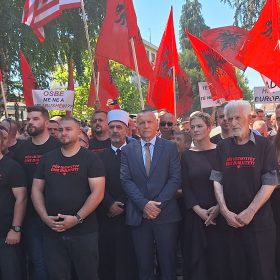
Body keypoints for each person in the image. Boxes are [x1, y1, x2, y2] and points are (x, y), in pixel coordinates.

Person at [210, 100, 278, 280]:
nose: (232, 123)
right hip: (230, 224)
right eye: (228, 118)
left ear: (249, 118)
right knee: (234, 272)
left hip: (259, 225)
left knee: (262, 272)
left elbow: (270, 182)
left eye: (237, 118)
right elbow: (217, 180)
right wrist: (224, 211)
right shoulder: (222, 147)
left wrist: (250, 211)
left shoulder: (265, 145)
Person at [31, 117, 105, 280]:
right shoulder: (47, 158)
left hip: (84, 232)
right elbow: (36, 189)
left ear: (79, 132)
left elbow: (98, 193)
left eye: (68, 129)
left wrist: (77, 218)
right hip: (53, 231)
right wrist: (44, 218)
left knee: (88, 275)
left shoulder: (91, 159)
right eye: (60, 129)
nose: (63, 133)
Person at [121, 110, 181, 280]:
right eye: (141, 123)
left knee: (168, 264)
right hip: (139, 216)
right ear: (136, 126)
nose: (145, 126)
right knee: (143, 264)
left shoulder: (170, 147)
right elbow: (126, 180)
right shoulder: (128, 150)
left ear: (156, 124)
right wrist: (144, 205)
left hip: (166, 215)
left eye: (149, 122)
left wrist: (158, 205)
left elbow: (175, 178)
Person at [14, 105, 60, 280]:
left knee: (58, 263)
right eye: (28, 119)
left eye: (35, 119)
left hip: (58, 215)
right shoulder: (20, 150)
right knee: (38, 263)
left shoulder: (58, 147)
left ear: (46, 122)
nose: (30, 122)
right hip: (31, 217)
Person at [181, 112, 224, 280]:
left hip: (220, 215)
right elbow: (186, 186)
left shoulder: (221, 151)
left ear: (209, 127)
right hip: (195, 216)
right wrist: (198, 210)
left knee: (218, 260)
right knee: (196, 262)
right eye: (192, 127)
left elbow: (227, 181)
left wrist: (220, 207)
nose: (195, 130)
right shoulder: (186, 155)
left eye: (199, 126)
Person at [97, 109, 138, 280]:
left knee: (129, 259)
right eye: (112, 127)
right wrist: (109, 204)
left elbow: (140, 182)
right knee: (107, 259)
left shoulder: (137, 153)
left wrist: (122, 204)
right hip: (106, 214)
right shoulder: (100, 157)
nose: (115, 130)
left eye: (119, 127)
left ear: (127, 129)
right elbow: (96, 184)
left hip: (131, 214)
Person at [0, 129, 27, 279]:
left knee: (10, 274)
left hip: (6, 234)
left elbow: (21, 198)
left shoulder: (12, 166)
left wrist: (15, 228)